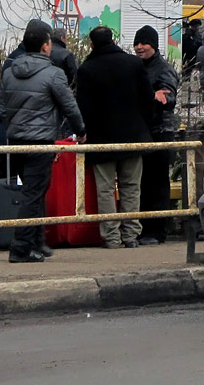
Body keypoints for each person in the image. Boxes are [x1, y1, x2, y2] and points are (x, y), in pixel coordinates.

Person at [0, 24, 86, 263]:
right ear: (46, 45)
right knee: (34, 194)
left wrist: (13, 127)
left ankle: (37, 242)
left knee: (31, 192)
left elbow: (2, 108)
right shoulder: (53, 74)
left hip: (15, 140)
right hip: (41, 141)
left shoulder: (9, 71)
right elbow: (70, 106)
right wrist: (81, 131)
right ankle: (21, 247)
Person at [75, 25, 155, 249]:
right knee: (131, 186)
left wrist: (84, 133)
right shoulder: (133, 64)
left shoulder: (87, 69)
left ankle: (111, 237)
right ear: (112, 40)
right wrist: (144, 127)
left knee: (106, 189)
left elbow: (83, 108)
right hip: (133, 135)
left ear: (92, 44)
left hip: (102, 140)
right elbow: (148, 99)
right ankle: (131, 235)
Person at [132, 24, 178, 245]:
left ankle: (156, 230)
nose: (140, 47)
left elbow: (168, 96)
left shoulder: (163, 69)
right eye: (137, 43)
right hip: (142, 132)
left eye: (144, 43)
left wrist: (158, 97)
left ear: (154, 45)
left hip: (160, 133)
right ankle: (142, 228)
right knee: (141, 183)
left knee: (157, 183)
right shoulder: (136, 68)